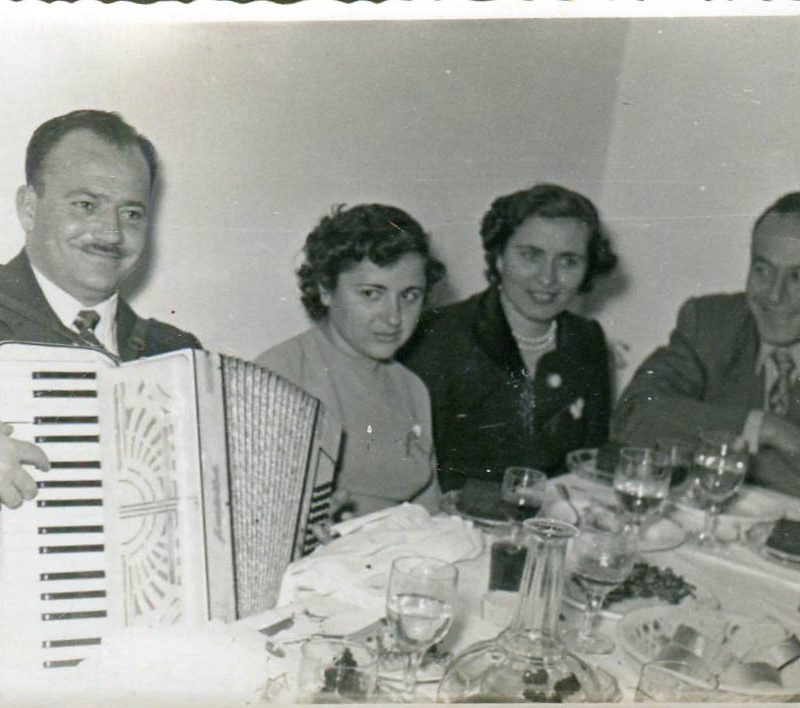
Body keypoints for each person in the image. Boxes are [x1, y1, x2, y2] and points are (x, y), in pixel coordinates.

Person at [0, 109, 201, 509]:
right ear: (29, 208)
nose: (112, 233)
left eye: (131, 213)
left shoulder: (175, 354)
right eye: (86, 205)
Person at [400, 183, 618, 491]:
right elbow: (412, 471)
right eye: (530, 255)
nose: (547, 278)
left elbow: (589, 460)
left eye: (568, 261)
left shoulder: (587, 339)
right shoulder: (437, 337)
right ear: (499, 257)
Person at [256, 203, 445, 517]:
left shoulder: (412, 388)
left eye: (409, 295)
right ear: (325, 289)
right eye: (371, 293)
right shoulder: (279, 375)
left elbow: (431, 511)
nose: (394, 317)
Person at [612, 192, 800, 498]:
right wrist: (761, 427)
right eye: (762, 270)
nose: (775, 295)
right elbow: (634, 415)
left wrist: (722, 451)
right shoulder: (711, 323)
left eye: (797, 277)